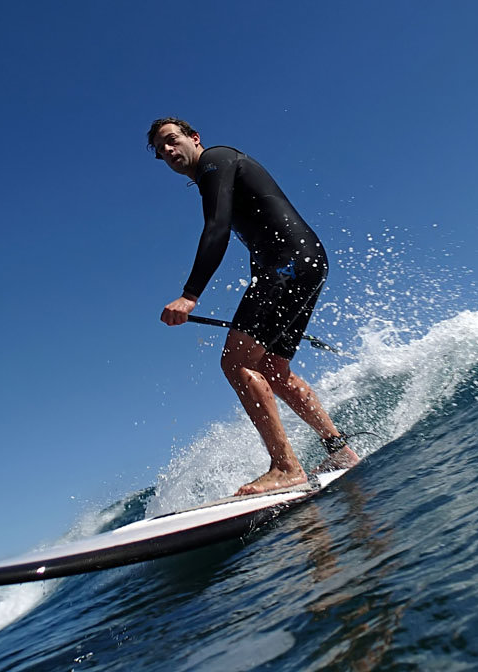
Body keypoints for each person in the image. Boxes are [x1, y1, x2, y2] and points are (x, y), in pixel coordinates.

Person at [148, 117, 360, 495]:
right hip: (303, 262)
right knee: (275, 370)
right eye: (160, 150)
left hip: (287, 263)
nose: (167, 151)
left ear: (193, 138)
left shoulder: (215, 160)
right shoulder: (220, 173)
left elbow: (217, 227)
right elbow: (255, 231)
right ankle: (339, 450)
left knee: (236, 362)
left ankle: (285, 466)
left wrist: (190, 294)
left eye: (172, 140)